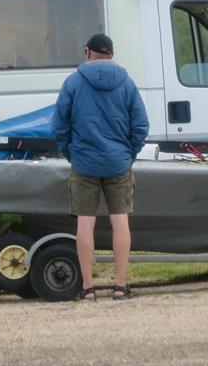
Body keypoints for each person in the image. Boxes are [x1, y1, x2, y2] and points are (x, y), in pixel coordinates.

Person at [52, 34, 149, 301]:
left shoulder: (73, 82)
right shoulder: (127, 83)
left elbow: (59, 123)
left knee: (85, 222)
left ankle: (87, 288)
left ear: (87, 52)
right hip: (118, 162)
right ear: (112, 54)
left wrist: (71, 152)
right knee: (120, 221)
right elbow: (140, 125)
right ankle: (120, 286)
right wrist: (128, 153)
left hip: (84, 162)